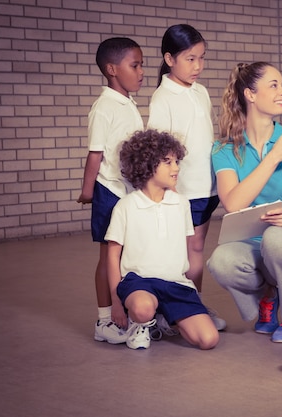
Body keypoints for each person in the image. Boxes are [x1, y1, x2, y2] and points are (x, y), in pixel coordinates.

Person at [207, 62, 282, 343]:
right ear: (250, 94)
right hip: (258, 247)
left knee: (277, 237)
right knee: (221, 261)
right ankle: (270, 295)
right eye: (274, 85)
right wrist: (274, 156)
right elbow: (233, 203)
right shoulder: (223, 150)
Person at [105, 129, 220, 350]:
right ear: (146, 165)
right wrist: (116, 302)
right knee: (142, 308)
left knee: (209, 340)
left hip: (176, 284)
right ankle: (140, 322)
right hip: (139, 283)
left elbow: (185, 253)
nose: (176, 168)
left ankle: (164, 317)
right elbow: (113, 255)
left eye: (176, 161)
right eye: (167, 162)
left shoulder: (181, 204)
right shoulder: (126, 206)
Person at [147, 24, 226, 332]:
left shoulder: (201, 91)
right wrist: (172, 192)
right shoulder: (162, 97)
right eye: (190, 59)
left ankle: (194, 307)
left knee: (196, 250)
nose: (198, 66)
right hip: (183, 190)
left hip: (207, 186)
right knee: (183, 253)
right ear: (170, 58)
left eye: (201, 58)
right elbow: (160, 149)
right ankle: (180, 311)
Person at [77, 37, 144, 344]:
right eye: (135, 65)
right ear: (112, 69)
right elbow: (96, 153)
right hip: (108, 191)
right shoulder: (104, 107)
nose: (142, 71)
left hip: (129, 192)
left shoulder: (127, 103)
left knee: (127, 256)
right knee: (108, 259)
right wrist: (88, 191)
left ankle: (128, 314)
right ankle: (104, 320)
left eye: (141, 64)